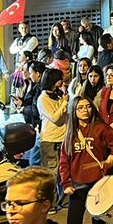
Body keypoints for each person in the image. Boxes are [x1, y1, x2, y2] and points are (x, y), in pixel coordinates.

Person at [59, 96, 113, 224]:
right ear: (73, 111)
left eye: (88, 107)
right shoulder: (70, 134)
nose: (85, 110)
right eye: (80, 108)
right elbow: (64, 161)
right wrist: (66, 182)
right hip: (78, 186)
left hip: (98, 184)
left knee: (98, 222)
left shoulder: (100, 128)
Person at [37, 69, 69, 210]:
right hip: (50, 139)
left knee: (65, 170)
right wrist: (64, 103)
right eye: (60, 79)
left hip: (63, 138)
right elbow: (55, 117)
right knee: (51, 174)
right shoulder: (43, 99)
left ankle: (65, 201)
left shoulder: (57, 95)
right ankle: (51, 204)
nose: (62, 81)